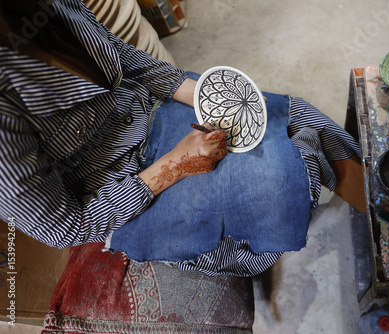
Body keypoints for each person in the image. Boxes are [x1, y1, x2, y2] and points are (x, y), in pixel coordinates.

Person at [0, 0, 365, 277]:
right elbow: (63, 227)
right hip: (125, 185)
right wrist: (174, 165)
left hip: (147, 109)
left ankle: (379, 206)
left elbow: (118, 52)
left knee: (295, 114)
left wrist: (192, 89)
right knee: (288, 179)